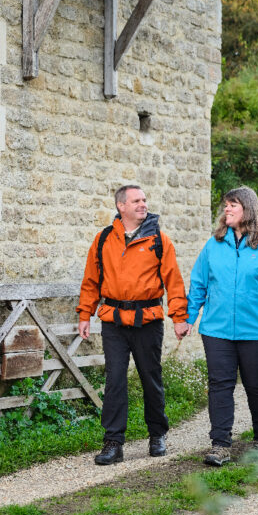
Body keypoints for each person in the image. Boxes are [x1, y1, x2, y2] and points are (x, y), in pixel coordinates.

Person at [77, 185, 189, 465]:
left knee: (151, 379)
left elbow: (173, 281)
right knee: (114, 380)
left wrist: (179, 318)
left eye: (144, 200)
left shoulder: (160, 240)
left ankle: (157, 434)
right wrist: (84, 314)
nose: (143, 204)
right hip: (113, 321)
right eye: (136, 200)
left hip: (147, 321)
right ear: (121, 206)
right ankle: (113, 442)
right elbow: (91, 280)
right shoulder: (103, 239)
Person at [186, 186, 258, 467]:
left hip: (257, 331)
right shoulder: (214, 243)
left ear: (247, 208)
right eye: (226, 205)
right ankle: (220, 445)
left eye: (233, 204)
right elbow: (199, 282)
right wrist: (188, 317)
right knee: (219, 386)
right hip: (216, 329)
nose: (227, 209)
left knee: (256, 385)